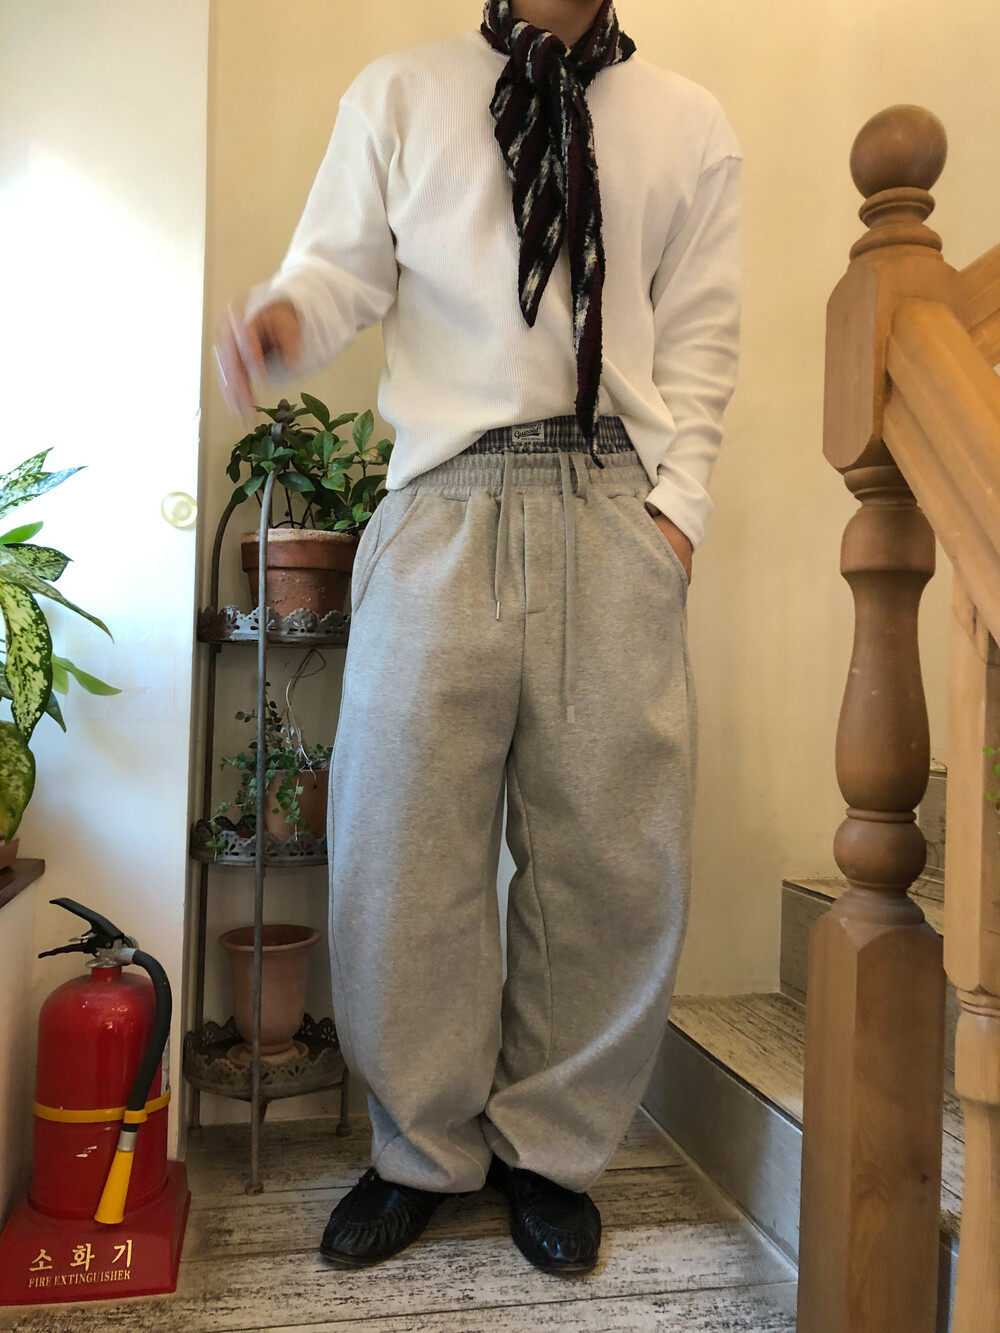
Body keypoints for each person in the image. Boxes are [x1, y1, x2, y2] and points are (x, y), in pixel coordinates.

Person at [215, 0, 741, 1277]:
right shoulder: (399, 93)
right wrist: (287, 318)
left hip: (613, 503)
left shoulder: (687, 122)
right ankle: (421, 1150)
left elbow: (704, 333)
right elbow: (339, 269)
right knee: (402, 851)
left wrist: (675, 517)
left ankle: (550, 1153)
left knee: (610, 857)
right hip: (442, 499)